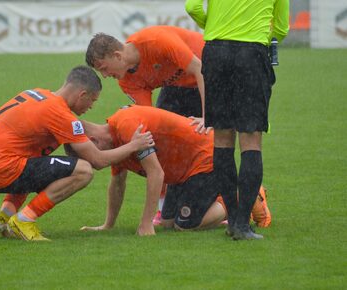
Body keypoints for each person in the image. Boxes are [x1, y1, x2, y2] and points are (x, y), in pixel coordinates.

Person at [0, 66, 154, 241]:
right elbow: (98, 161)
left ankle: (5, 216)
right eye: (92, 100)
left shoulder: (38, 93)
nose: (91, 107)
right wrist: (133, 145)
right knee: (83, 171)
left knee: (35, 163)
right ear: (82, 94)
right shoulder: (60, 114)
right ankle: (24, 220)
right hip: (0, 170)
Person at [77, 105, 271, 236]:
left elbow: (157, 173)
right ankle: (224, 197)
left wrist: (145, 224)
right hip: (182, 172)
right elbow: (117, 183)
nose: (96, 163)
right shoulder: (115, 144)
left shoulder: (126, 126)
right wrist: (108, 225)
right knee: (168, 223)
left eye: (91, 157)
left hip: (204, 158)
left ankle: (242, 195)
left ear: (93, 141)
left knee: (186, 225)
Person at [185, 0, 289, 240]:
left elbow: (192, 7)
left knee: (222, 139)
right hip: (251, 54)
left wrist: (214, 25)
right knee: (251, 140)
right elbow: (282, 29)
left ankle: (232, 220)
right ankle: (243, 223)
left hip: (216, 52)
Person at [85, 25, 207, 133]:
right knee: (162, 132)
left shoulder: (155, 40)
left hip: (212, 72)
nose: (105, 76)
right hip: (182, 85)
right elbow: (148, 116)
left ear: (117, 56)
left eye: (104, 68)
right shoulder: (126, 81)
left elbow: (199, 68)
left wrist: (207, 116)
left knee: (216, 130)